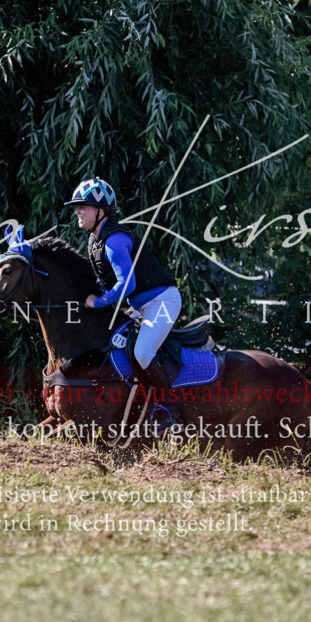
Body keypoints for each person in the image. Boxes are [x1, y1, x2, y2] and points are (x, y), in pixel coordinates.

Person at [64, 177, 182, 432]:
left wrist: (99, 303)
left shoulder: (114, 240)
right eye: (77, 207)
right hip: (139, 306)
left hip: (162, 301)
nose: (77, 211)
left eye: (82, 206)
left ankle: (169, 410)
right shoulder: (94, 240)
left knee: (142, 352)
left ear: (100, 211)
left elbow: (126, 285)